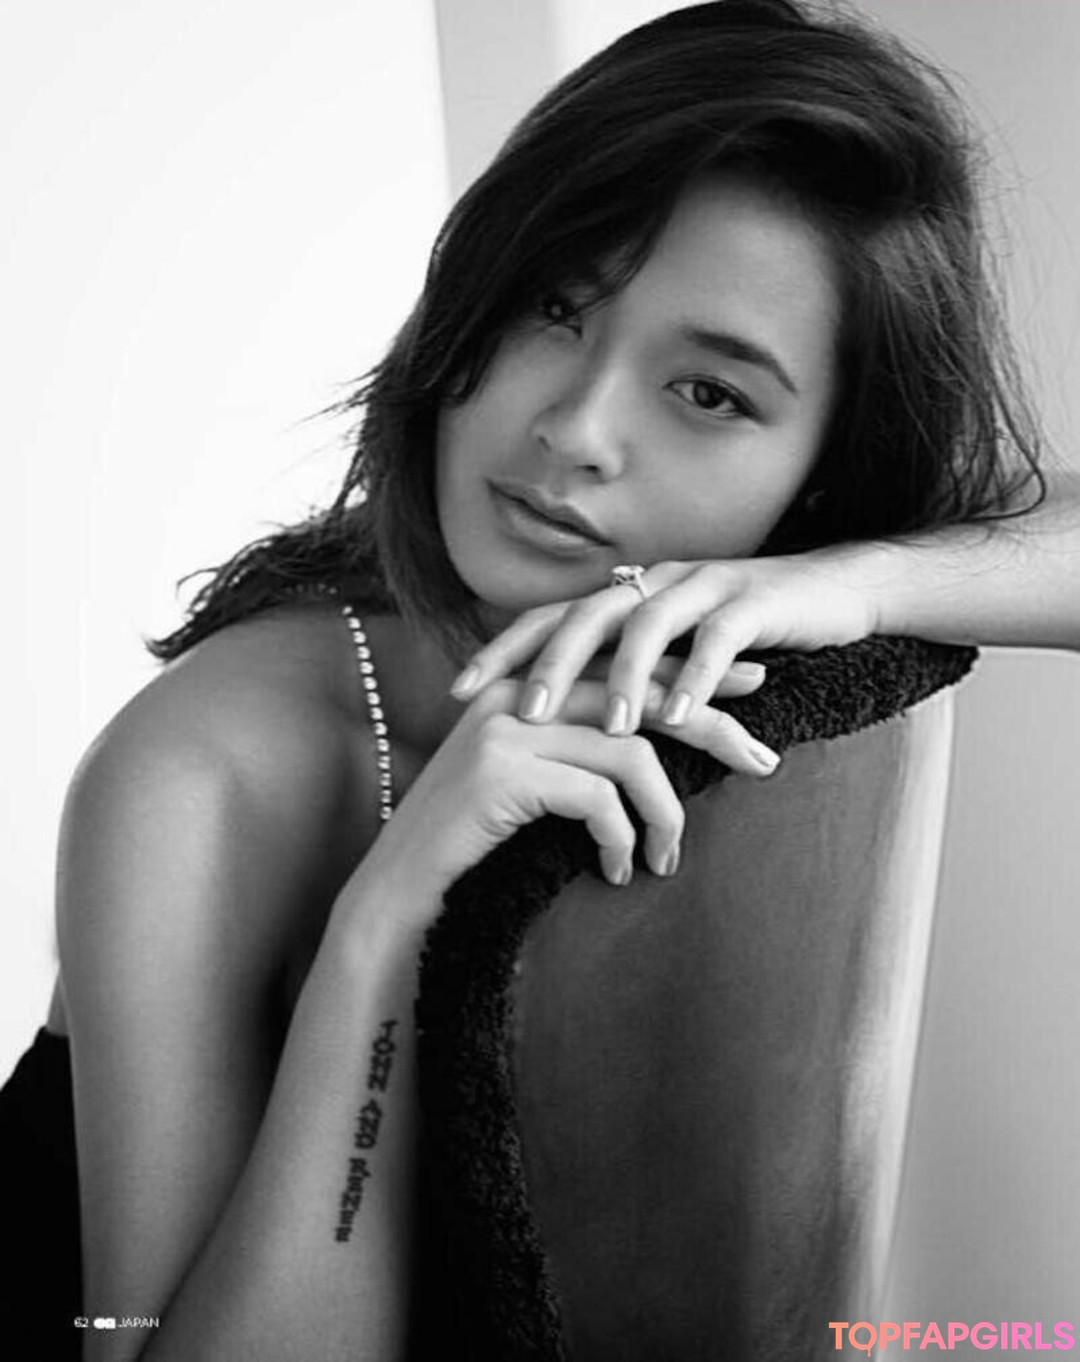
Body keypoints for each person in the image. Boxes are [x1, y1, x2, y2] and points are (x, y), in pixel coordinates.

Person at [3, 0, 1080, 1357]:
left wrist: (856, 582)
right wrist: (390, 922)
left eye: (709, 393)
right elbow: (134, 1336)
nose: (575, 429)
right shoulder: (202, 770)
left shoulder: (799, 565)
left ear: (824, 473)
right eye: (551, 309)